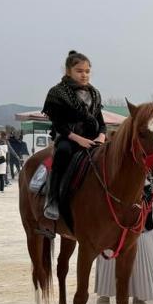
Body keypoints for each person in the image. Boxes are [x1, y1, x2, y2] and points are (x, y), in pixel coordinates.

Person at [42, 50, 106, 220]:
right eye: (79, 71)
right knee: (62, 152)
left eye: (87, 71)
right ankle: (53, 198)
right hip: (68, 138)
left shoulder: (95, 94)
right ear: (68, 71)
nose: (84, 75)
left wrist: (101, 136)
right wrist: (79, 140)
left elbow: (101, 122)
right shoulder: (57, 93)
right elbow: (59, 125)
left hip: (93, 139)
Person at [94, 185, 153, 304]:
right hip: (113, 218)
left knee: (141, 261)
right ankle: (104, 297)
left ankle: (139, 298)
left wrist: (149, 191)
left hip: (141, 221)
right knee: (110, 260)